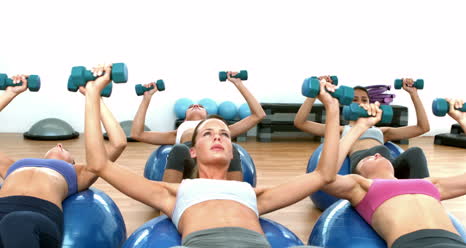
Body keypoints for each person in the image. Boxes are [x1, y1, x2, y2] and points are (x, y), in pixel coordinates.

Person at [85, 66, 339, 248]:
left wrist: (332, 106)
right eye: (208, 133)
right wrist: (93, 95)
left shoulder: (253, 194)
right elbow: (99, 164)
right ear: (193, 151)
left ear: (233, 150)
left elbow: (324, 174)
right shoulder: (173, 192)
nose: (218, 137)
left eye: (225, 135)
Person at [0, 74, 127, 247]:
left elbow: (118, 143)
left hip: (37, 217)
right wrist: (10, 93)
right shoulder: (13, 166)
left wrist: (95, 96)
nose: (59, 144)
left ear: (72, 163)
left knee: (16, 222)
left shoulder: (79, 173)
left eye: (66, 150)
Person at [320, 100, 466, 248]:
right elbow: (325, 176)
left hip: (456, 243)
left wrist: (463, 119)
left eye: (378, 154)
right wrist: (358, 128)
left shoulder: (430, 183)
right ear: (357, 171)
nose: (376, 154)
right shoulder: (361, 187)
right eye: (368, 157)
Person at [131, 71, 266, 183]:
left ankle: (234, 201)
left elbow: (258, 115)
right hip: (189, 157)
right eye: (191, 107)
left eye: (201, 106)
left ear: (208, 116)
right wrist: (146, 98)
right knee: (179, 149)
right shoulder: (177, 132)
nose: (195, 106)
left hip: (217, 154)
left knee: (233, 148)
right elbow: (137, 134)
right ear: (184, 118)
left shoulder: (219, 129)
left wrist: (238, 84)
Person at [294, 77, 431, 178]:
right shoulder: (341, 130)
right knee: (379, 149)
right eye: (354, 100)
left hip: (388, 164)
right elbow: (301, 123)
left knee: (415, 152)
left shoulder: (382, 131)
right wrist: (315, 93)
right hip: (365, 164)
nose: (360, 103)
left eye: (364, 100)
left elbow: (422, 128)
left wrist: (414, 94)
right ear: (346, 105)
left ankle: (426, 197)